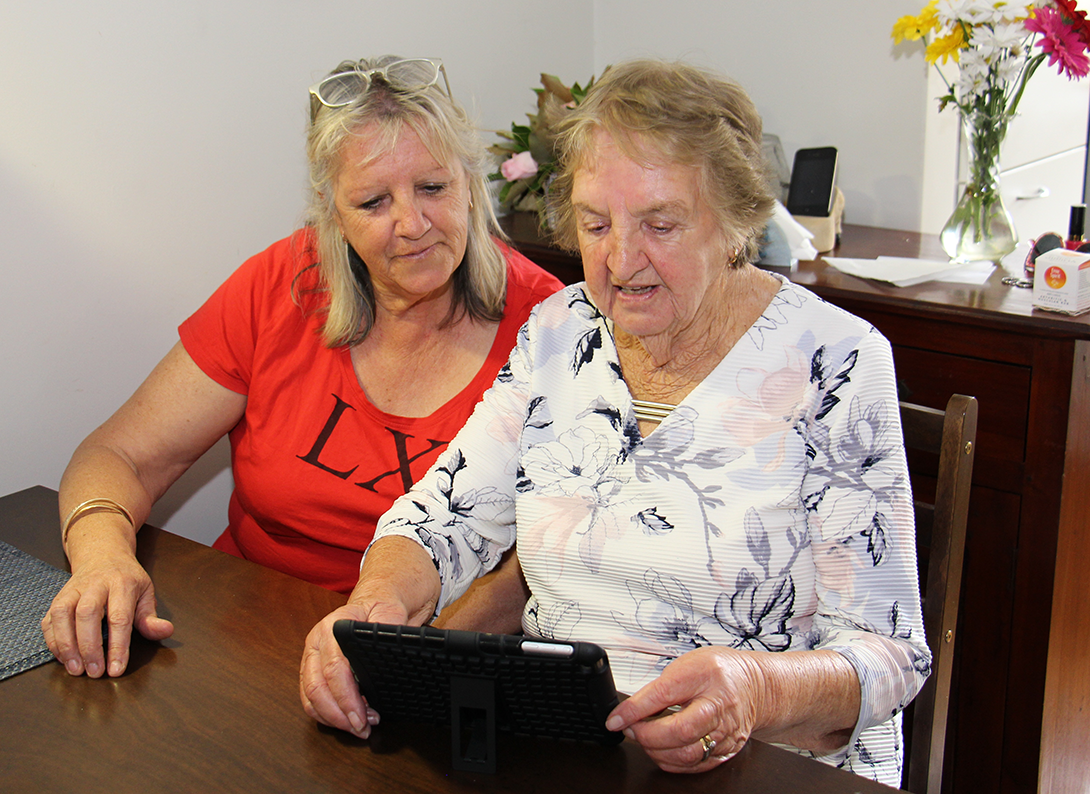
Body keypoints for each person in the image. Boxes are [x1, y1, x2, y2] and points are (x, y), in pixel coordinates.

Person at [299, 59, 927, 786]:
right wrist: (370, 620)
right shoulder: (559, 332)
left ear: (735, 222)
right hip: (568, 751)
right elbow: (442, 518)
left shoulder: (837, 363)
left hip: (766, 764)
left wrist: (755, 689)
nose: (621, 261)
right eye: (596, 225)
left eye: (660, 223)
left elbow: (888, 653)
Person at [42, 56, 563, 680]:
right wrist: (102, 560)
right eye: (372, 201)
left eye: (434, 188)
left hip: (435, 658)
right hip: (247, 639)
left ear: (470, 182)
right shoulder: (281, 286)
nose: (413, 225)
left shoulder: (553, 325)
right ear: (330, 210)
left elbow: (550, 562)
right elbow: (119, 455)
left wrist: (396, 654)